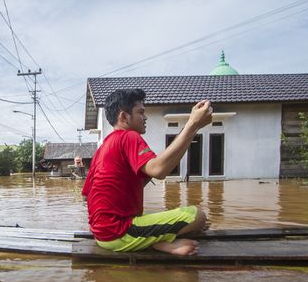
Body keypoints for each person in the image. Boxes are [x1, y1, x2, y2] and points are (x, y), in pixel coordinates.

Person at [81, 88, 213, 256]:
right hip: (119, 233)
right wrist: (192, 124)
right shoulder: (128, 136)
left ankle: (159, 242)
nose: (145, 117)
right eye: (140, 112)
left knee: (188, 222)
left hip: (101, 235)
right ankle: (158, 243)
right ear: (123, 117)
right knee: (198, 216)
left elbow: (86, 195)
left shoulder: (102, 149)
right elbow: (159, 170)